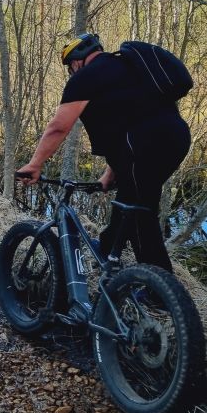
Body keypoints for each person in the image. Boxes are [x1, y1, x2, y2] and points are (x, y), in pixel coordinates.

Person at [16, 33, 191, 273]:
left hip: (144, 143)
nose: (71, 72)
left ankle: (158, 289)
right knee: (130, 199)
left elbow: (58, 126)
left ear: (76, 61)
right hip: (176, 138)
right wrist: (113, 172)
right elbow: (128, 124)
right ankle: (109, 250)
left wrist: (35, 164)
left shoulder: (85, 77)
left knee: (140, 214)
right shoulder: (130, 67)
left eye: (70, 68)